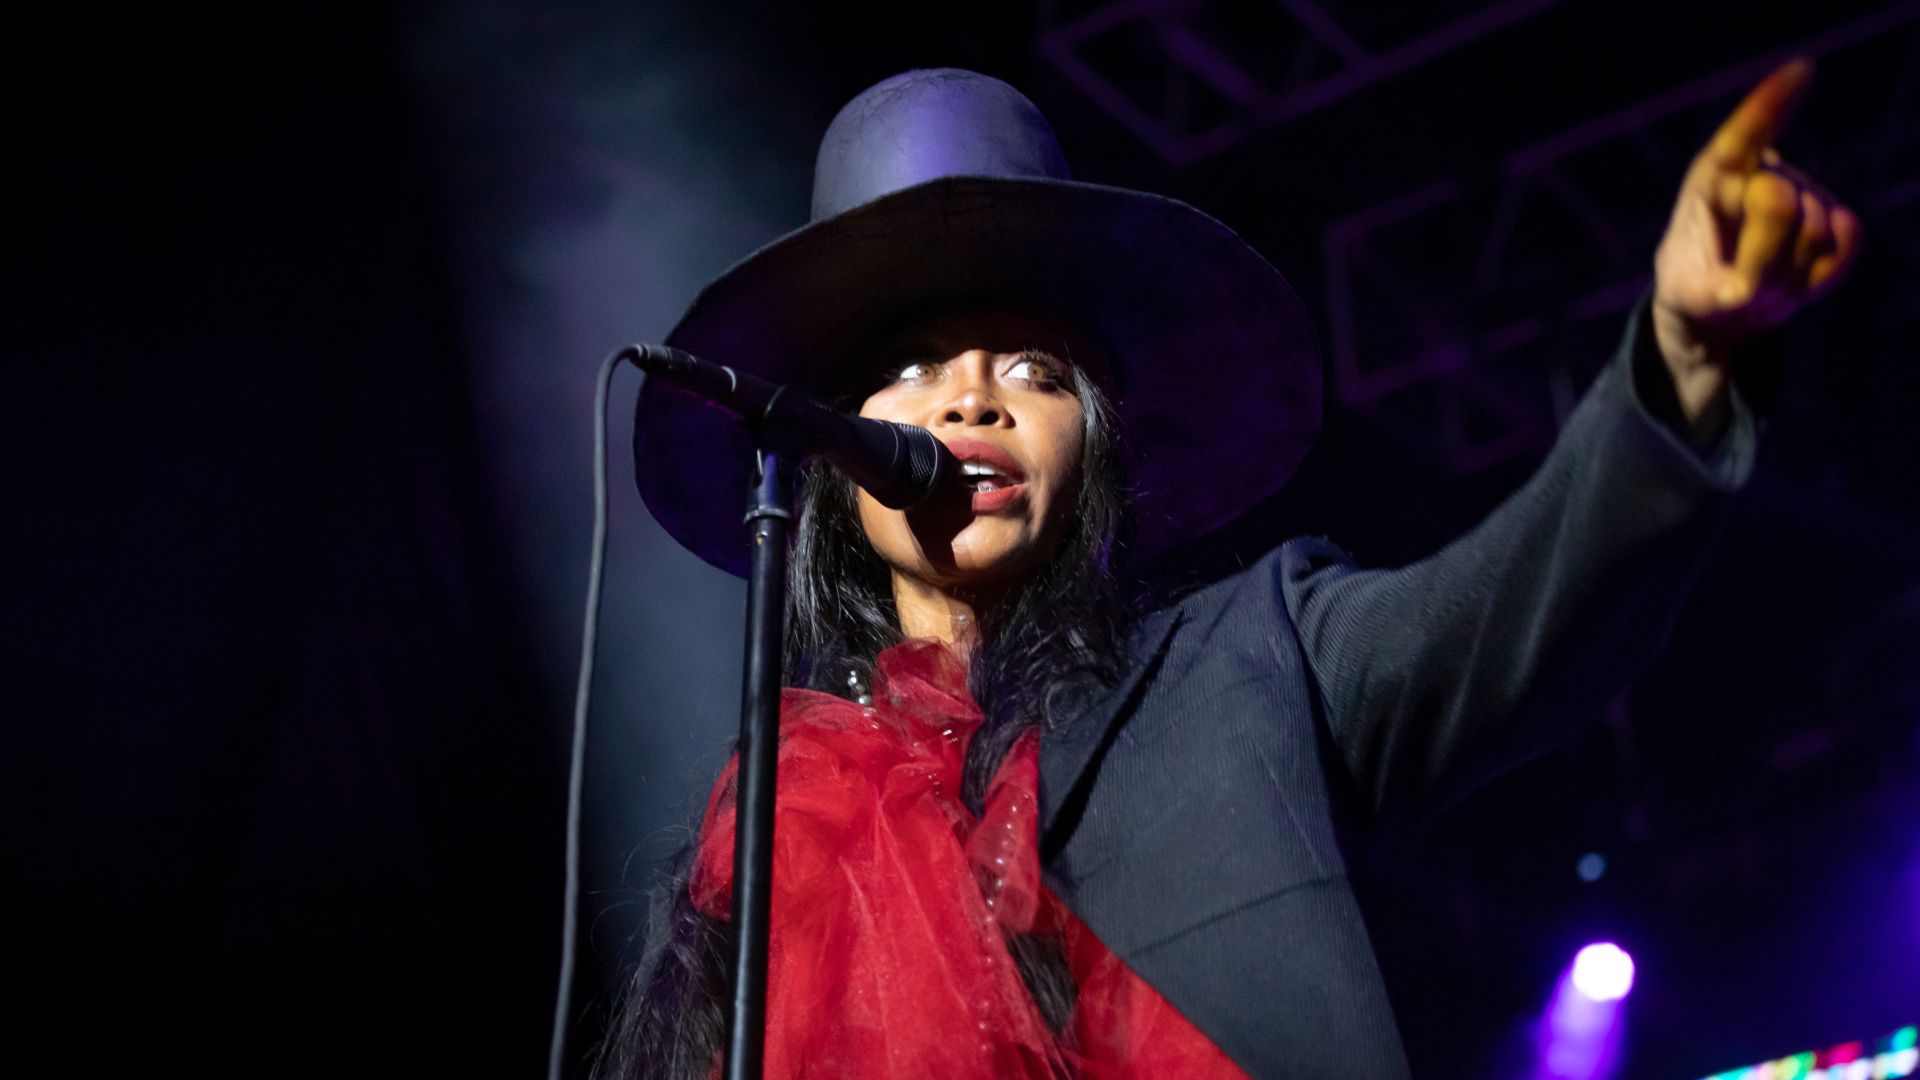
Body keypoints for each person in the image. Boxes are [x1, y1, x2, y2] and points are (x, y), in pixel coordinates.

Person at [598, 62, 1860, 1079]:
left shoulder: (1255, 658)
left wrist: (1684, 358)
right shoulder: (770, 838)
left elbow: (1518, 607)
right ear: (830, 453)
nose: (975, 401)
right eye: (915, 366)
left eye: (1035, 375)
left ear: (1091, 448)